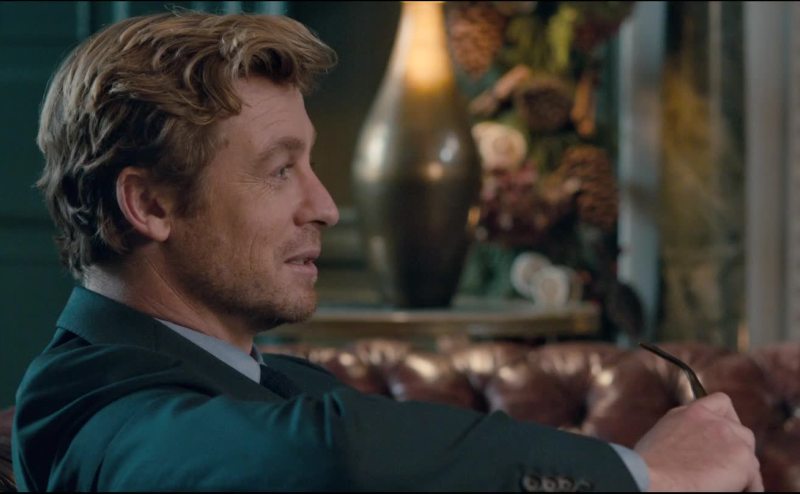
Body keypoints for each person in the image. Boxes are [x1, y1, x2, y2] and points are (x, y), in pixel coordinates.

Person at [13, 10, 762, 492]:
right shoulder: (88, 405)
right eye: (279, 171)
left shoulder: (278, 382)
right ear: (150, 205)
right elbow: (332, 454)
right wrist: (644, 474)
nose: (325, 207)